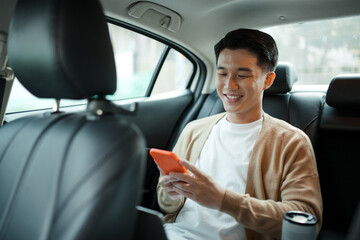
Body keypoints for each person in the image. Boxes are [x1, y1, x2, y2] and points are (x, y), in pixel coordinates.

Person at [157, 28, 322, 240]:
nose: (229, 85)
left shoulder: (291, 142)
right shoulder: (193, 130)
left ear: (268, 80)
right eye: (222, 73)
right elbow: (165, 204)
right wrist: (172, 193)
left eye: (242, 75)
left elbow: (305, 220)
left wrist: (223, 200)